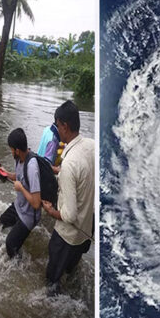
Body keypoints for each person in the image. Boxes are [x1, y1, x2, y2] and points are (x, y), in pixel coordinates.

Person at [41, 101, 94, 289]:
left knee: (52, 281)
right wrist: (57, 170)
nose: (57, 129)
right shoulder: (91, 146)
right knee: (71, 273)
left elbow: (69, 215)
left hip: (67, 237)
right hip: (86, 233)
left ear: (65, 125)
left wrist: (50, 211)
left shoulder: (70, 163)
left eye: (58, 125)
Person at [0, 128, 42, 258]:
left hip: (29, 215)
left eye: (11, 149)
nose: (10, 152)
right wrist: (6, 173)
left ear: (17, 150)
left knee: (10, 244)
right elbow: (19, 176)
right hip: (19, 206)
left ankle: (18, 265)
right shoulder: (19, 159)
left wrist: (21, 188)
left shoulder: (32, 167)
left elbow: (36, 203)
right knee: (2, 222)